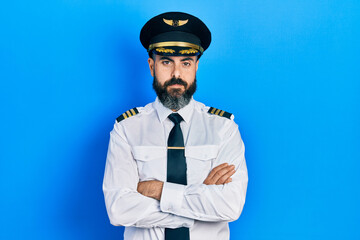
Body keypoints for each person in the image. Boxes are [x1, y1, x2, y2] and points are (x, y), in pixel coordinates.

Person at [103, 11, 248, 240]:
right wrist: (199, 201)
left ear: (196, 66)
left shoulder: (224, 129)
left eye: (186, 63)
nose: (176, 74)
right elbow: (119, 209)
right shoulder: (126, 129)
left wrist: (157, 190)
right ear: (152, 66)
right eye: (167, 62)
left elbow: (230, 206)